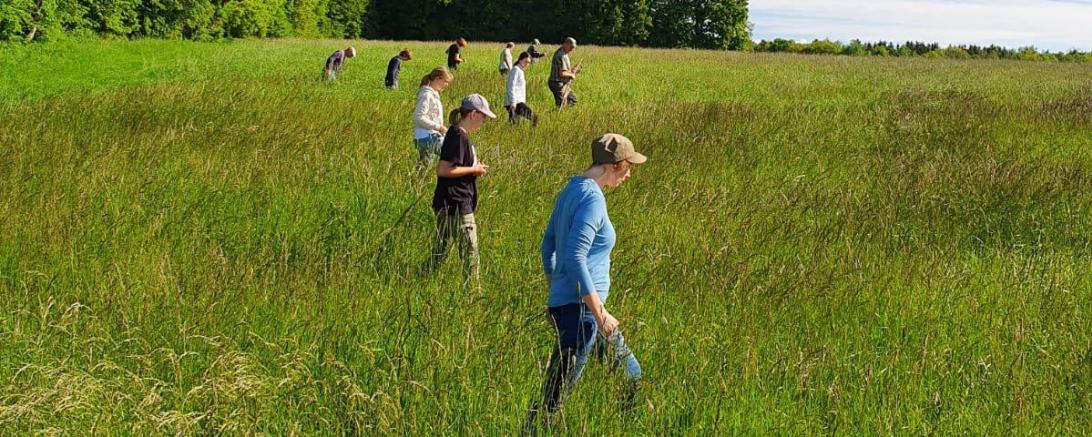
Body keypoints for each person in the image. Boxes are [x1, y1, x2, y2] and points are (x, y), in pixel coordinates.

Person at [523, 133, 647, 432]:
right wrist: (600, 313)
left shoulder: (570, 190)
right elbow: (576, 256)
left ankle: (632, 425)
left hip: (572, 307)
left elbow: (548, 246)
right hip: (585, 314)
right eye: (629, 167)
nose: (629, 174)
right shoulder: (592, 198)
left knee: (628, 373)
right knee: (557, 392)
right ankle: (534, 430)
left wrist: (556, 297)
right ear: (615, 165)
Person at [428, 94, 497, 287]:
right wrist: (474, 170)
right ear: (473, 114)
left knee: (439, 251)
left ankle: (426, 281)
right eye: (483, 117)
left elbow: (454, 166)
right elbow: (444, 169)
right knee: (470, 253)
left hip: (448, 202)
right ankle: (473, 294)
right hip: (457, 204)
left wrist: (473, 167)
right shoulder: (459, 136)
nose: (484, 122)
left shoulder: (456, 133)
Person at [413, 67, 454, 167]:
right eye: (446, 81)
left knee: (453, 155)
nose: (447, 85)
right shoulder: (426, 95)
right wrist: (439, 127)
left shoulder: (433, 94)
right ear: (437, 78)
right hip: (427, 137)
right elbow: (418, 117)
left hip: (432, 136)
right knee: (424, 168)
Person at [505, 52, 537, 127]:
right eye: (525, 61)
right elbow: (510, 86)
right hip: (515, 102)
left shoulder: (520, 70)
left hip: (516, 101)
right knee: (534, 117)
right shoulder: (516, 70)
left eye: (528, 62)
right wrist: (513, 102)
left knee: (514, 124)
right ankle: (532, 135)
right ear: (520, 60)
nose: (527, 64)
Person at [548, 37, 580, 108]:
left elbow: (564, 70)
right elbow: (562, 74)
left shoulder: (564, 53)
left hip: (562, 84)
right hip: (558, 84)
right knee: (561, 107)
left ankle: (565, 115)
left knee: (572, 99)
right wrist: (572, 75)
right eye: (571, 47)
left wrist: (573, 70)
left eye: (573, 48)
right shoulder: (561, 55)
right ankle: (551, 116)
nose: (572, 49)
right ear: (566, 44)